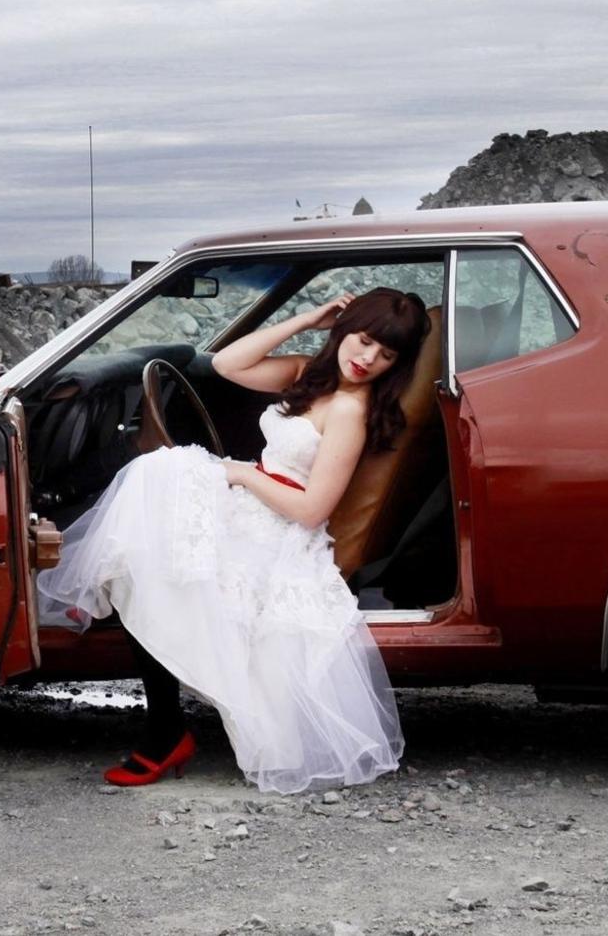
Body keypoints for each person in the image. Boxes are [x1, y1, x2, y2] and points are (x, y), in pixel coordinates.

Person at [36, 287, 431, 794]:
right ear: (343, 330)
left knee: (154, 509)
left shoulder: (350, 410)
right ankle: (158, 715)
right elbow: (226, 364)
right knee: (152, 493)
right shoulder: (308, 374)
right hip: (254, 502)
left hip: (281, 529)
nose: (368, 359)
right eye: (363, 339)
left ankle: (162, 729)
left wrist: (242, 475)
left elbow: (311, 510)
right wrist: (306, 319)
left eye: (386, 354)